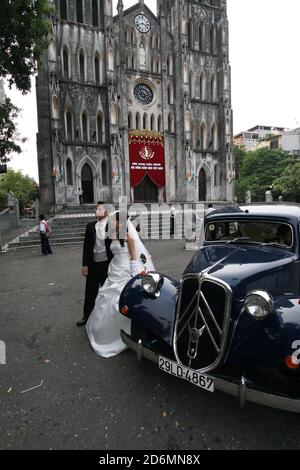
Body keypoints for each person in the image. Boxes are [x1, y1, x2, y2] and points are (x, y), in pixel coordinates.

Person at [86, 212, 155, 358]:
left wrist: (135, 274)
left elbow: (134, 257)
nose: (111, 222)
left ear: (121, 222)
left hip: (125, 271)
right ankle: (103, 331)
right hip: (114, 269)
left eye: (113, 221)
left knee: (119, 300)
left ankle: (122, 334)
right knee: (105, 299)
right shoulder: (113, 235)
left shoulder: (129, 237)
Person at [76, 202, 113, 327]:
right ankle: (86, 317)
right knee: (90, 292)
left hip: (107, 265)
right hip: (92, 265)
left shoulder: (112, 225)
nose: (96, 211)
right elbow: (86, 246)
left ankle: (105, 320)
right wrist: (85, 264)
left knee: (106, 293)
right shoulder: (90, 226)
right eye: (96, 209)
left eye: (99, 209)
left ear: (106, 212)